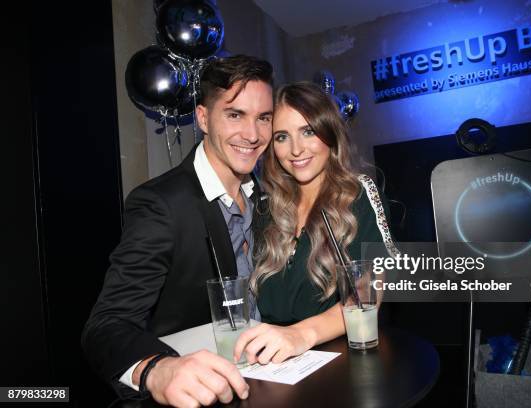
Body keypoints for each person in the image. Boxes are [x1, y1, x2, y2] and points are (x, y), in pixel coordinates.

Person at [82, 55, 274, 407]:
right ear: (203, 117)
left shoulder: (263, 196)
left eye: (263, 118)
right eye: (235, 115)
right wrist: (159, 370)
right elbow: (105, 326)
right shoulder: (161, 203)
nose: (253, 134)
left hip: (267, 383)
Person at [233, 81, 399, 365]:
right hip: (270, 364)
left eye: (308, 132)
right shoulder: (265, 207)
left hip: (342, 361)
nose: (296, 149)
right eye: (282, 137)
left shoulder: (359, 194)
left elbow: (368, 293)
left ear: (330, 132)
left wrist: (299, 335)